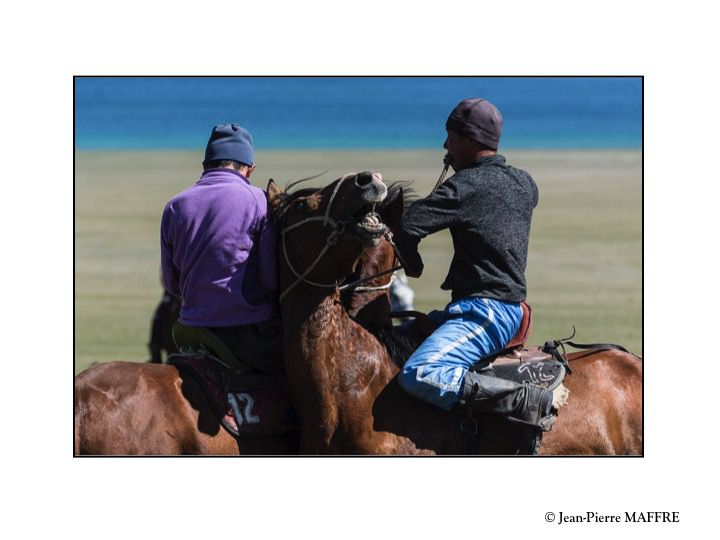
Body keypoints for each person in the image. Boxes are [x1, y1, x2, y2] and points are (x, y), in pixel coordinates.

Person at [394, 98, 555, 429]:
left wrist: (413, 264)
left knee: (419, 373)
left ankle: (520, 398)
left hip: (487, 313)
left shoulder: (463, 186)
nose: (445, 146)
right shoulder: (525, 183)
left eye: (450, 138)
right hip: (499, 307)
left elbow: (409, 225)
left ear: (469, 140)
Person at [160, 124, 281, 373]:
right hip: (246, 331)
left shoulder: (174, 206)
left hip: (190, 329)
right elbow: (270, 279)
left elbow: (172, 285)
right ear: (249, 169)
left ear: (206, 164)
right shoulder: (259, 201)